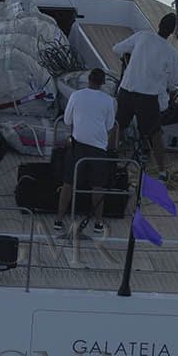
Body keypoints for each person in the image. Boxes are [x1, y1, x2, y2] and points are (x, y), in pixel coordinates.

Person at [113, 14, 178, 173]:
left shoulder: (141, 36)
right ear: (172, 32)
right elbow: (173, 82)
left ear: (158, 24)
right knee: (155, 133)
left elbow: (116, 48)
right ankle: (162, 171)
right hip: (147, 98)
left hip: (126, 91)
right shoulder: (171, 52)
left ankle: (108, 159)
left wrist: (128, 58)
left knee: (118, 127)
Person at [54, 67, 117, 234]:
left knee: (68, 183)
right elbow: (110, 126)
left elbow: (67, 120)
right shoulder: (108, 100)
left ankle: (59, 220)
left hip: (78, 147)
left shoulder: (76, 95)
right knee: (98, 187)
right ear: (103, 83)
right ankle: (98, 223)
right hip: (98, 149)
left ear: (88, 80)